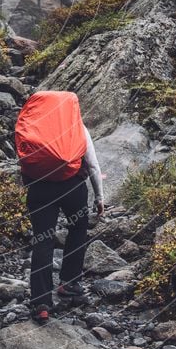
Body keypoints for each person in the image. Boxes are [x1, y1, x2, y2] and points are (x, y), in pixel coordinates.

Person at [24, 124, 105, 324]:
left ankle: (41, 303)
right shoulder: (78, 127)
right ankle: (69, 283)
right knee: (78, 229)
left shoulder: (35, 125)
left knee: (43, 240)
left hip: (40, 188)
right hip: (73, 187)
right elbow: (93, 165)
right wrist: (99, 198)